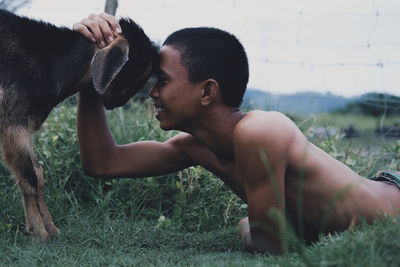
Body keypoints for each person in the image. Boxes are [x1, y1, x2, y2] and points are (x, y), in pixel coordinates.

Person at [73, 13, 400, 254]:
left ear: (207, 92)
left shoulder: (260, 131)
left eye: (163, 80)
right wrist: (90, 72)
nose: (154, 92)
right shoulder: (194, 147)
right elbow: (103, 162)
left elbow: (271, 245)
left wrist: (251, 228)